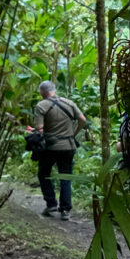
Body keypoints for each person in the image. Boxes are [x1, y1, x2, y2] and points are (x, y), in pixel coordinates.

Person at [33, 81, 87, 220]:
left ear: (42, 93)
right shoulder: (69, 103)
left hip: (50, 147)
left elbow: (39, 128)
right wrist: (74, 134)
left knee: (44, 173)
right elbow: (82, 119)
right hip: (68, 146)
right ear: (54, 90)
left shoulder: (41, 105)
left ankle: (51, 203)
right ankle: (65, 210)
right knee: (65, 176)